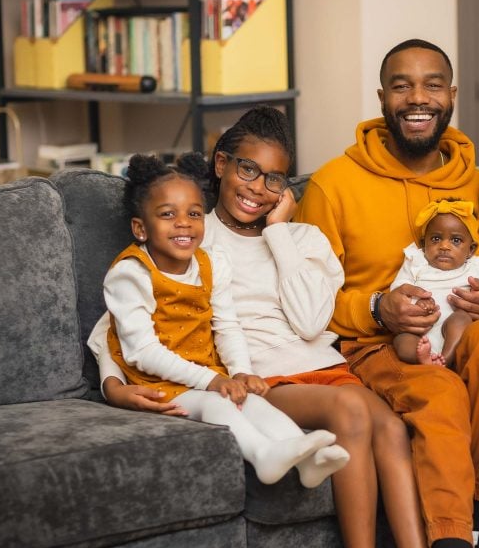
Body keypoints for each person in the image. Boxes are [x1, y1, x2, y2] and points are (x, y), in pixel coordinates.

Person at [93, 108, 446, 548]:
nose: (257, 188)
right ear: (221, 164)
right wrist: (114, 385)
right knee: (355, 411)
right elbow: (123, 316)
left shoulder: (304, 238)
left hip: (326, 367)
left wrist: (279, 232)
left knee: (392, 428)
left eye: (274, 178)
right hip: (265, 380)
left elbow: (310, 321)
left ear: (287, 187)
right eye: (247, 170)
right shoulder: (189, 229)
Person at [295, 39, 479, 548]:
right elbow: (305, 307)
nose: (417, 98)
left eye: (432, 85)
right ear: (382, 99)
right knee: (438, 387)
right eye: (402, 85)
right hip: (378, 348)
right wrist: (376, 306)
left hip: (463, 331)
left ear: (452, 95)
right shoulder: (332, 186)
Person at [103, 152, 348, 488]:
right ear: (140, 228)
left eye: (193, 213)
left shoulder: (210, 262)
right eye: (167, 214)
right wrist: (212, 382)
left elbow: (227, 325)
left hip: (207, 373)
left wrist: (241, 372)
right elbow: (138, 349)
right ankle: (263, 455)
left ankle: (307, 459)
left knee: (253, 402)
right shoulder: (130, 274)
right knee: (218, 404)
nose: (183, 223)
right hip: (159, 385)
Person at [390, 197, 479, 366]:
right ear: (424, 243)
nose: (444, 246)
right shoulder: (416, 262)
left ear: (471, 250)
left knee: (461, 319)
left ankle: (447, 357)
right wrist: (416, 302)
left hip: (454, 331)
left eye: (456, 240)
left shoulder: (475, 268)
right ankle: (425, 359)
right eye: (435, 239)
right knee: (401, 340)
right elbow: (399, 289)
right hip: (419, 331)